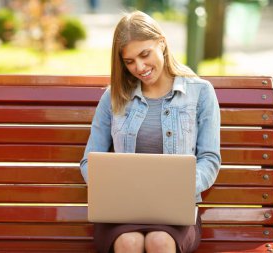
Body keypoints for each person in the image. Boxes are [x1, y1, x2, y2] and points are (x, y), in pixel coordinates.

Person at [80, 10, 221, 253]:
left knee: (159, 241)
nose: (140, 67)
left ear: (162, 43)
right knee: (129, 242)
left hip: (175, 213)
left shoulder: (201, 92)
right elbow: (88, 161)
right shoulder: (113, 97)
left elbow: (210, 159)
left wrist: (178, 187)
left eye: (145, 54)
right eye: (129, 61)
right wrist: (111, 186)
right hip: (120, 211)